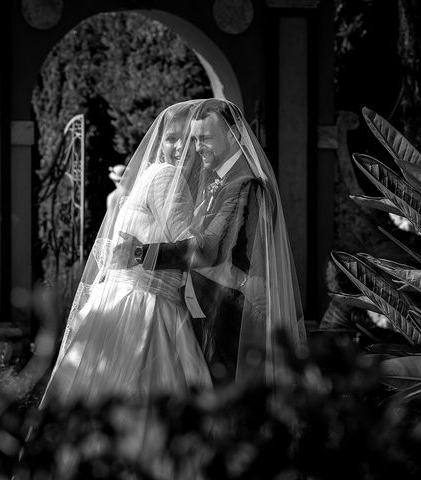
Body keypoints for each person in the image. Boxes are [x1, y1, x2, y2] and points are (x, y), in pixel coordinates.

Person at [114, 99, 306, 387]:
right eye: (194, 139)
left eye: (205, 138)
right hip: (209, 311)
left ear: (233, 136)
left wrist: (142, 253)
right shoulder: (215, 180)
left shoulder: (244, 183)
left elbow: (208, 249)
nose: (196, 146)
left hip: (233, 316)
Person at [39, 102, 211, 407]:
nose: (181, 146)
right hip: (147, 306)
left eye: (189, 138)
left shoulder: (150, 175)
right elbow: (194, 250)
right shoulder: (166, 177)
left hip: (119, 299)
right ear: (159, 143)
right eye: (172, 138)